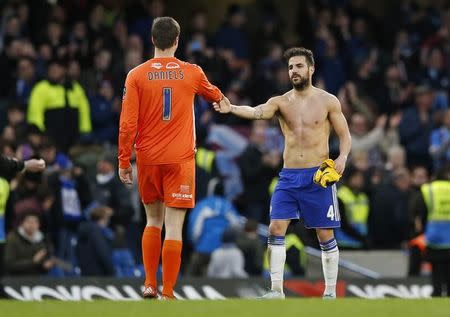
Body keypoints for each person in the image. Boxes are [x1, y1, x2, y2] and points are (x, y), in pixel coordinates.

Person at [214, 47, 351, 299]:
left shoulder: (328, 101)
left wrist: (342, 157)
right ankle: (276, 290)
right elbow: (256, 111)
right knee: (276, 228)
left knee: (324, 233)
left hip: (317, 175)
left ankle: (330, 292)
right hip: (288, 176)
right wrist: (231, 108)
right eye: (290, 68)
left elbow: (345, 135)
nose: (294, 71)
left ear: (311, 69)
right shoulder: (280, 102)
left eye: (299, 66)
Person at [118, 17, 223, 300]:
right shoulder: (192, 72)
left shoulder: (136, 75)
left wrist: (123, 160)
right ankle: (168, 292)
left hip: (149, 158)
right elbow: (216, 97)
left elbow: (127, 124)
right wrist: (222, 102)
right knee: (174, 227)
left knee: (153, 221)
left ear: (152, 40)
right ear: (177, 41)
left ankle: (149, 284)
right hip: (180, 159)